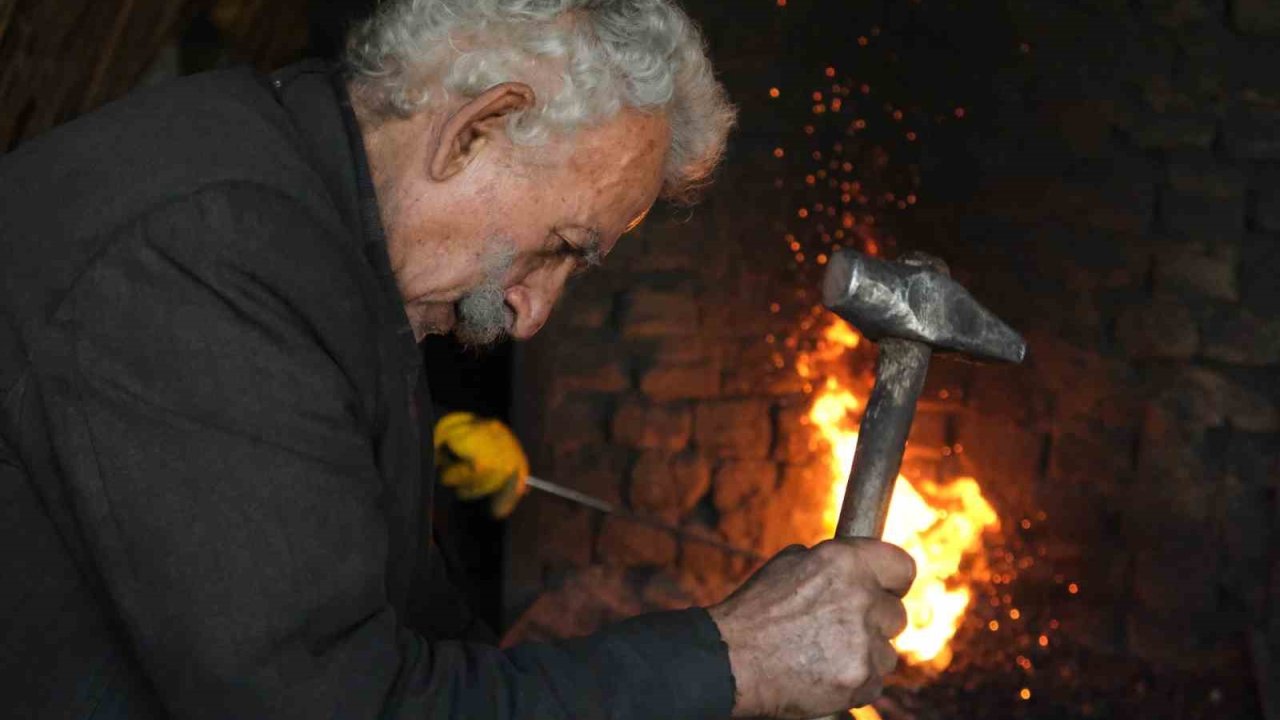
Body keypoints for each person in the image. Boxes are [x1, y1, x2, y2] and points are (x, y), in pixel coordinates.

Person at [0, 1, 915, 717]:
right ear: (474, 129)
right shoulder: (210, 248)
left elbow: (423, 647)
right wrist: (734, 658)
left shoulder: (319, 233)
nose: (530, 311)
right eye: (558, 246)